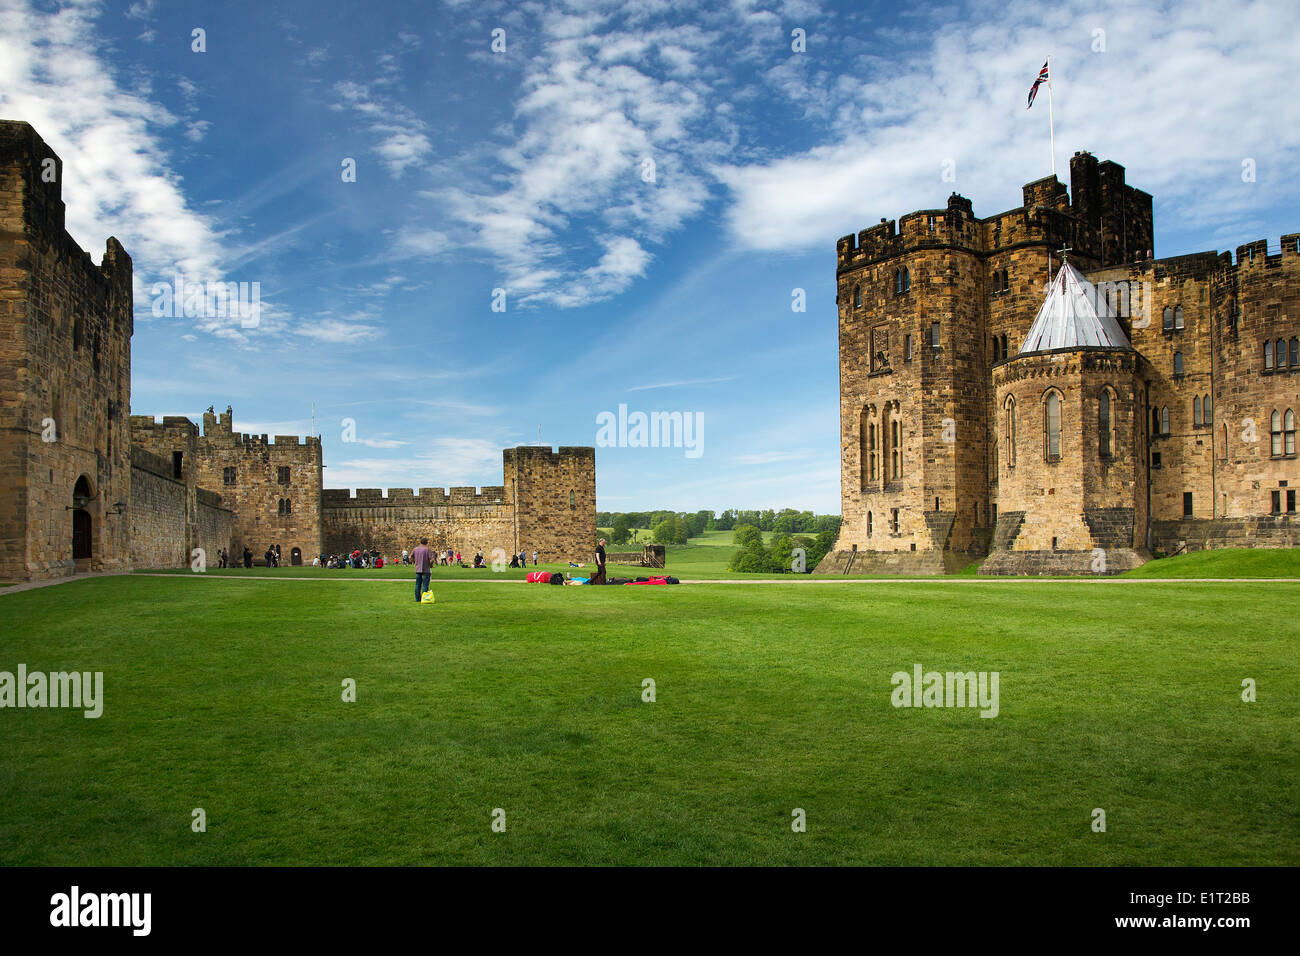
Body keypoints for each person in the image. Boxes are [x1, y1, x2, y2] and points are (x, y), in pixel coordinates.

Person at [412, 537, 432, 603]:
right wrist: (430, 564)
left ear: (420, 542)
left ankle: (417, 599)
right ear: (426, 542)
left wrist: (415, 562)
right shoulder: (427, 550)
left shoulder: (415, 549)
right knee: (425, 585)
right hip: (425, 569)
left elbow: (410, 557)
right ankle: (424, 598)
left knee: (417, 585)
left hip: (417, 569)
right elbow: (431, 559)